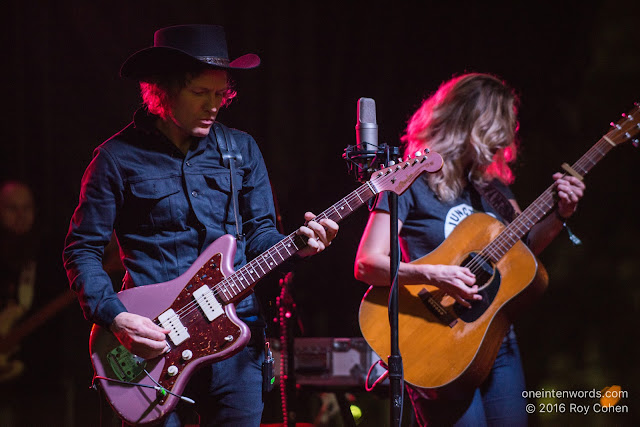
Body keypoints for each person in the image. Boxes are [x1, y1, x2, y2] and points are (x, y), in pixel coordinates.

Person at [63, 24, 338, 426]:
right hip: (153, 341)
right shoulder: (116, 158)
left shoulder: (241, 150)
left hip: (235, 337)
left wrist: (299, 244)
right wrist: (116, 317)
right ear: (162, 92)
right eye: (200, 93)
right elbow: (81, 249)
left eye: (220, 94)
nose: (214, 105)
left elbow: (261, 236)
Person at [354, 73, 585, 426]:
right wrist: (433, 273)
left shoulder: (494, 190)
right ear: (468, 122)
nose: (507, 139)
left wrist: (559, 215)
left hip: (497, 341)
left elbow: (524, 255)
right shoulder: (408, 180)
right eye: (498, 126)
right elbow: (368, 263)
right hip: (437, 343)